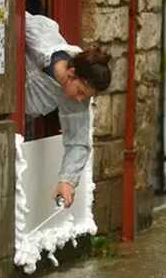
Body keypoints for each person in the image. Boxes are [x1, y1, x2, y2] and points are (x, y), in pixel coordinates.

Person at [25, 13, 112, 208]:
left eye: (86, 97)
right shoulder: (41, 36)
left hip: (22, 121)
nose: (81, 99)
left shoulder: (75, 100)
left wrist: (67, 181)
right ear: (71, 73)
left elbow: (78, 142)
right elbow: (14, 19)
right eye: (81, 92)